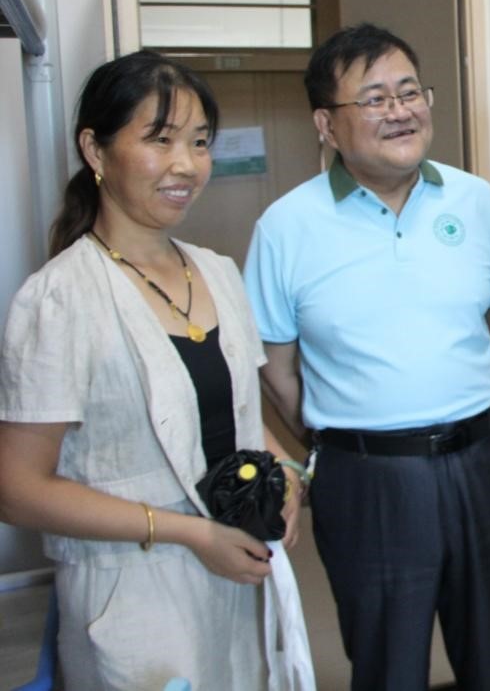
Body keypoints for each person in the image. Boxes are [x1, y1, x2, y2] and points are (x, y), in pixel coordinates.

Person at [0, 51, 311, 690]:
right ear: (95, 149)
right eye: (160, 139)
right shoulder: (60, 297)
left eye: (199, 142)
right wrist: (189, 534)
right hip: (131, 595)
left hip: (237, 576)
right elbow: (17, 488)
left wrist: (288, 475)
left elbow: (241, 415)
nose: (186, 165)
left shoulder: (217, 271)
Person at [244, 23, 490, 690]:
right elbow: (277, 371)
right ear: (326, 124)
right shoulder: (285, 226)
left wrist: (445, 395)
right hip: (365, 478)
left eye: (409, 92)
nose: (400, 111)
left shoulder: (476, 200)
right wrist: (354, 431)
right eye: (374, 99)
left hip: (484, 457)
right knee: (387, 666)